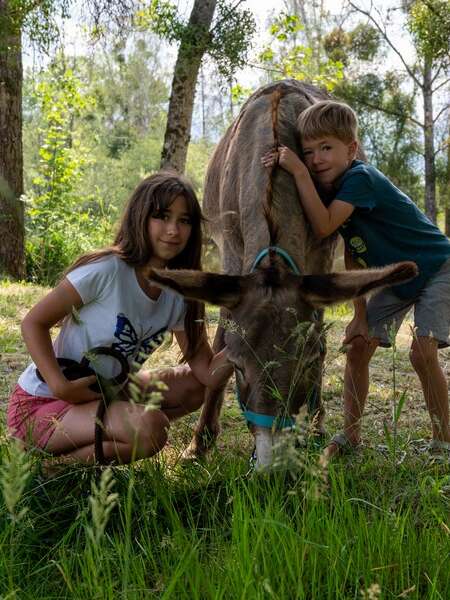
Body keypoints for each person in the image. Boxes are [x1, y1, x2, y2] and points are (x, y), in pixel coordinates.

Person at [261, 100, 450, 457]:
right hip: (399, 278)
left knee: (422, 353)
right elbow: (352, 255)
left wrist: (298, 171)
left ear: (351, 148)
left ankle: (444, 442)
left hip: (439, 266)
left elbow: (324, 225)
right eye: (308, 152)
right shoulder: (336, 189)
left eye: (326, 148)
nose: (316, 159)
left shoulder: (359, 179)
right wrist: (359, 315)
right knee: (357, 346)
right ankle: (350, 436)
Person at [8, 171, 232, 464]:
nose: (173, 229)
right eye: (162, 216)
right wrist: (60, 385)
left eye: (185, 220)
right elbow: (33, 323)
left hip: (102, 395)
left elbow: (207, 374)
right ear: (140, 216)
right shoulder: (107, 270)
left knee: (195, 387)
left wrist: (250, 339)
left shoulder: (179, 293)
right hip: (43, 404)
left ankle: (100, 439)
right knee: (152, 428)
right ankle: (54, 469)